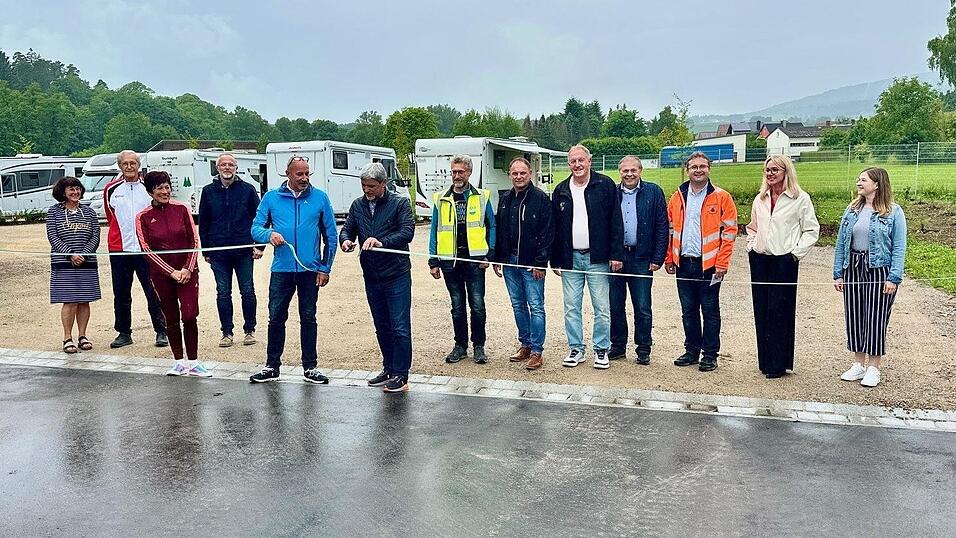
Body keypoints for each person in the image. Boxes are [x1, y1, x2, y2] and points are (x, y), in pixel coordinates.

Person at [249, 156, 337, 384]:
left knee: (308, 317)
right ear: (287, 174)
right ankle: (271, 366)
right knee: (276, 317)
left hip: (310, 270)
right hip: (282, 270)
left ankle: (310, 367)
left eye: (307, 173)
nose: (305, 178)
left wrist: (325, 267)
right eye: (300, 174)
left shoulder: (320, 198)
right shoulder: (271, 198)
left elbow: (331, 235)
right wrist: (269, 235)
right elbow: (255, 229)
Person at [339, 163, 416, 393]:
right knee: (381, 325)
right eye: (363, 185)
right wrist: (346, 240)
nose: (367, 190)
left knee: (400, 326)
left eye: (371, 186)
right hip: (371, 275)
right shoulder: (358, 205)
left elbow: (407, 232)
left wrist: (382, 241)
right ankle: (389, 367)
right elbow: (348, 228)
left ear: (384, 184)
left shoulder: (400, 203)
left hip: (396, 273)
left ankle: (401, 375)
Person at [551, 144, 624, 370]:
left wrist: (616, 254)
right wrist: (555, 259)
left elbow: (616, 222)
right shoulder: (561, 189)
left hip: (598, 259)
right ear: (568, 164)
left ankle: (601, 349)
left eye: (581, 160)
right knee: (572, 306)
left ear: (590, 161)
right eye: (573, 161)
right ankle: (576, 348)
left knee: (602, 307)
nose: (577, 164)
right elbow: (554, 227)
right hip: (570, 259)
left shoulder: (605, 185)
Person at [746, 155, 820, 378]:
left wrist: (795, 254)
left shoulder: (800, 199)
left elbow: (811, 230)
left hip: (784, 260)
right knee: (761, 309)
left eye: (775, 170)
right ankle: (765, 362)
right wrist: (752, 246)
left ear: (786, 172)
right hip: (760, 259)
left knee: (779, 311)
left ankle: (779, 363)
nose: (770, 174)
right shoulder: (760, 199)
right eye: (767, 170)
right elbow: (752, 227)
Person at [833, 167, 906, 388]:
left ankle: (874, 367)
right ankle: (858, 364)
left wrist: (893, 277)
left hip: (879, 269)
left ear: (877, 184)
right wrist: (838, 272)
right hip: (853, 267)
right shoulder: (852, 209)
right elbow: (840, 243)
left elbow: (899, 246)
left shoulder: (893, 212)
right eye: (858, 179)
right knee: (854, 315)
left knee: (875, 317)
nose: (859, 182)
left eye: (863, 179)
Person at [664, 152, 737, 372]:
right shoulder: (677, 196)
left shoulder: (722, 197)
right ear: (687, 169)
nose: (698, 170)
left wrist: (722, 263)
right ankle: (692, 350)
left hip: (710, 266)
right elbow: (669, 230)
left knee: (710, 310)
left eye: (702, 166)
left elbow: (730, 232)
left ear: (709, 168)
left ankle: (710, 354)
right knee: (688, 310)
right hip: (684, 263)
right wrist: (669, 257)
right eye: (694, 166)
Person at [135, 171, 211, 377]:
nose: (165, 191)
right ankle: (178, 361)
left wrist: (187, 269)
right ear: (151, 191)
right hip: (162, 275)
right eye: (159, 188)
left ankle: (194, 361)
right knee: (171, 316)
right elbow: (146, 249)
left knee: (189, 314)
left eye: (167, 187)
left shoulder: (182, 209)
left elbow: (194, 241)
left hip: (187, 272)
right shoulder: (142, 216)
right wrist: (171, 272)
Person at [428, 154, 496, 365]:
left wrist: (490, 254)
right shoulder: (441, 198)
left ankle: (479, 346)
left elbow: (492, 225)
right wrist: (433, 260)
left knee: (477, 305)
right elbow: (434, 229)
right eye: (454, 171)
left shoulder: (482, 196)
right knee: (457, 306)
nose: (457, 175)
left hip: (475, 261)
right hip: (450, 261)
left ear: (469, 173)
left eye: (461, 172)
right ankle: (460, 346)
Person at [492, 157, 553, 371]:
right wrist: (497, 258)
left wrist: (540, 263)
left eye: (523, 173)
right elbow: (500, 230)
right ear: (510, 175)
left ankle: (537, 351)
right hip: (510, 262)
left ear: (530, 174)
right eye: (515, 173)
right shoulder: (505, 198)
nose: (519, 177)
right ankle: (525, 344)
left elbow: (547, 233)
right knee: (517, 305)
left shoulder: (540, 198)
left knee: (536, 306)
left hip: (531, 263)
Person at [198, 153, 263, 348]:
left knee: (248, 291)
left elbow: (259, 218)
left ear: (236, 168)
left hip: (243, 251)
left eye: (231, 165)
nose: (227, 168)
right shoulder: (208, 192)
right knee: (223, 293)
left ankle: (249, 330)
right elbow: (204, 222)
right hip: (218, 252)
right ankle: (226, 332)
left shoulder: (248, 190)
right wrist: (206, 250)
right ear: (217, 169)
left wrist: (259, 245)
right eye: (223, 165)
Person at [103, 150, 167, 349]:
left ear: (138, 165)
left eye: (133, 163)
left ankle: (161, 330)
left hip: (146, 249)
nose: (129, 167)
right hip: (120, 249)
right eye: (125, 164)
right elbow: (110, 216)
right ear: (120, 166)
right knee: (121, 292)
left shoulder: (148, 188)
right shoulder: (111, 189)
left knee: (154, 290)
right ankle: (124, 332)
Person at [608, 156, 668, 365]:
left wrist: (658, 257)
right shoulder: (612, 193)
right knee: (615, 304)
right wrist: (610, 254)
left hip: (642, 257)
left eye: (633, 170)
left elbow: (662, 226)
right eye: (625, 171)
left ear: (641, 171)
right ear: (620, 172)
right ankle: (617, 346)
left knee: (642, 306)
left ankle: (643, 348)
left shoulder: (653, 192)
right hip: (617, 257)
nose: (629, 174)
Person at [47, 176, 101, 354]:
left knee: (84, 300)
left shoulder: (90, 212)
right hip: (63, 263)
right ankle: (67, 337)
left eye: (78, 189)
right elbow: (53, 236)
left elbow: (95, 236)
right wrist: (70, 254)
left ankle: (83, 335)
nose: (75, 192)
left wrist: (84, 254)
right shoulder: (53, 212)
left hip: (87, 263)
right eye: (71, 189)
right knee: (69, 300)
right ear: (63, 192)